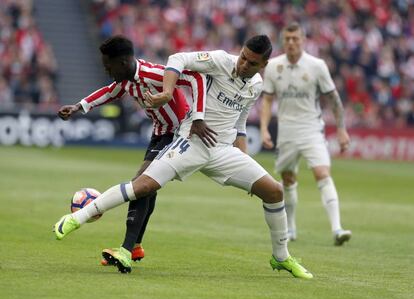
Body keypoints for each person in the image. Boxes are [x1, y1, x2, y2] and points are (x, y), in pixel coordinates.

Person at [54, 35, 313, 279]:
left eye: (252, 62)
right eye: (243, 57)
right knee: (143, 185)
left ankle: (281, 257)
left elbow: (241, 121)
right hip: (192, 141)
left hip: (223, 150)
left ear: (264, 65)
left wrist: (244, 157)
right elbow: (178, 59)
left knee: (275, 192)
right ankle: (77, 219)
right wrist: (168, 94)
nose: (243, 64)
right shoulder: (221, 60)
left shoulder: (256, 85)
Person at [57, 35, 207, 266]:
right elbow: (109, 91)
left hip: (178, 133)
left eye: (109, 67)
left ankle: (126, 250)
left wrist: (198, 116)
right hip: (159, 133)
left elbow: (194, 77)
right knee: (148, 189)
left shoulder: (154, 74)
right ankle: (134, 247)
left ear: (124, 63)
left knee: (140, 184)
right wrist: (79, 106)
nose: (108, 71)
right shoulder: (125, 80)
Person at [260, 22, 352, 245]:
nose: (291, 43)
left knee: (322, 173)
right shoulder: (273, 66)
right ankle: (290, 228)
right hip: (287, 131)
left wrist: (341, 129)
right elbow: (268, 99)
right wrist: (263, 128)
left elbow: (333, 99)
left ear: (303, 40)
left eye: (296, 39)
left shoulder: (317, 65)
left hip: (311, 128)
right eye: (288, 39)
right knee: (288, 179)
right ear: (283, 41)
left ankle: (337, 228)